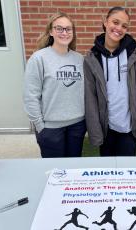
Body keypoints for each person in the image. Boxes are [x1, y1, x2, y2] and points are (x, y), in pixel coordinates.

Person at [84, 6, 136, 156]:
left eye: (124, 26)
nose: (119, 28)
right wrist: (96, 133)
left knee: (126, 172)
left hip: (129, 127)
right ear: (105, 22)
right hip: (106, 128)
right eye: (115, 22)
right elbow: (90, 98)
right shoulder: (92, 57)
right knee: (108, 171)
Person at [23, 12, 86, 158]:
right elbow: (30, 96)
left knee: (72, 170)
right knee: (54, 172)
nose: (64, 32)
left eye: (68, 29)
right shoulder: (39, 58)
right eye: (59, 28)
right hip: (50, 128)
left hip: (77, 126)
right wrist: (40, 126)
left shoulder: (79, 59)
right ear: (51, 31)